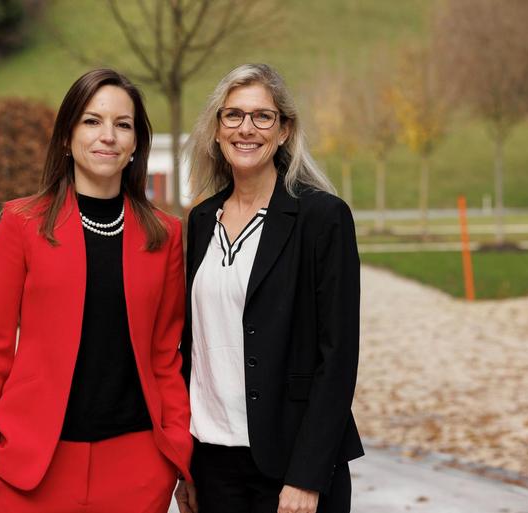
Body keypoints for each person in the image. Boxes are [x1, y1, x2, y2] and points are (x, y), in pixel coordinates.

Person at [0, 68, 192, 513]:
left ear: (135, 144)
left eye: (122, 124)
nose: (108, 135)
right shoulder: (22, 224)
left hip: (137, 469)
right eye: (92, 120)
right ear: (67, 136)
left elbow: (166, 355)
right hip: (32, 468)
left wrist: (175, 453)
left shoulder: (165, 235)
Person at [174, 63, 363, 513]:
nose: (247, 128)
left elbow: (337, 357)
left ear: (284, 131)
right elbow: (193, 346)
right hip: (212, 461)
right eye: (233, 115)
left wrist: (306, 476)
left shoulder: (322, 218)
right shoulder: (202, 221)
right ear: (217, 130)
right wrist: (185, 465)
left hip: (289, 467)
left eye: (263, 116)